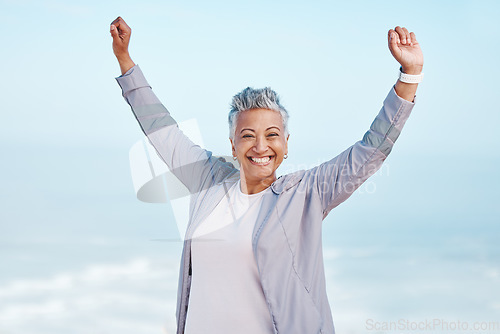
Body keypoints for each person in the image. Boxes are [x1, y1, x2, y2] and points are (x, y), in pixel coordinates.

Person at [110, 16, 423, 334]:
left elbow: (371, 150)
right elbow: (161, 129)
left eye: (272, 135)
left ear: (286, 145)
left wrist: (409, 76)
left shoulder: (306, 193)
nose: (261, 146)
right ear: (233, 145)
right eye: (248, 135)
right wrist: (125, 60)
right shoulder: (207, 178)